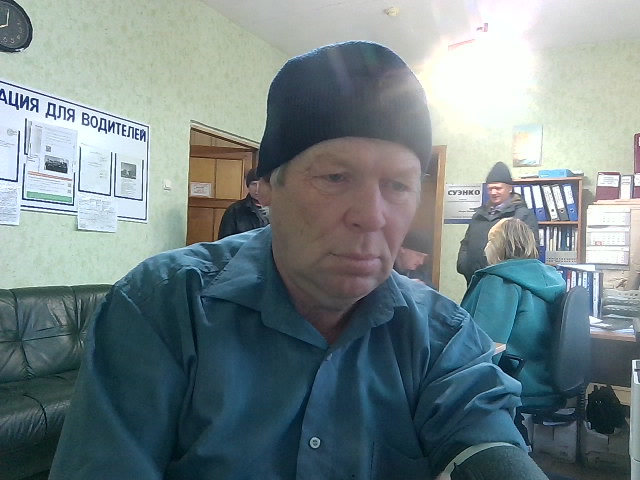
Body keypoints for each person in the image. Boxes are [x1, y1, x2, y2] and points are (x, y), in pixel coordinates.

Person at [50, 41, 547, 480]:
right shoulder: (160, 307)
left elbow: (482, 436)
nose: (372, 216)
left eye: (398, 185)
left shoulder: (442, 335)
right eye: (335, 177)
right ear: (267, 185)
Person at [461, 217, 566, 409]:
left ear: (499, 246)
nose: (485, 248)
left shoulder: (499, 281)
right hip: (544, 381)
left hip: (514, 384)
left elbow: (482, 346)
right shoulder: (552, 278)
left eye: (490, 241)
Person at [456, 161, 539, 285]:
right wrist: (463, 265)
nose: (493, 192)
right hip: (475, 281)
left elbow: (531, 251)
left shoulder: (523, 215)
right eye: (490, 188)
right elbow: (465, 243)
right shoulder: (478, 215)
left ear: (509, 188)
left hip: (505, 284)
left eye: (498, 188)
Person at [217, 168, 270, 239]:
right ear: (248, 186)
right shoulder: (235, 210)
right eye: (254, 184)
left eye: (261, 184)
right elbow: (224, 240)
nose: (257, 189)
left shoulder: (276, 209)